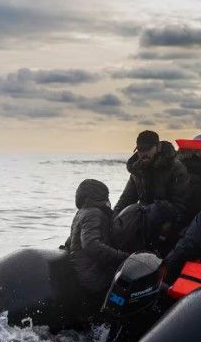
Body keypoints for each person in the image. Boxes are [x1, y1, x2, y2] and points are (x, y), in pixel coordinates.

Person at [113, 130, 190, 254]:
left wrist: (165, 224)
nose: (143, 154)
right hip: (143, 222)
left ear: (158, 147)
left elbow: (181, 206)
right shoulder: (137, 171)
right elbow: (126, 199)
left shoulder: (176, 168)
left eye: (148, 149)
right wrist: (114, 221)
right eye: (140, 150)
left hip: (169, 221)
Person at [67, 179, 130, 318]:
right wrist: (124, 258)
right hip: (95, 277)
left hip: (84, 274)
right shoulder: (94, 213)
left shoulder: (82, 212)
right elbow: (91, 245)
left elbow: (70, 241)